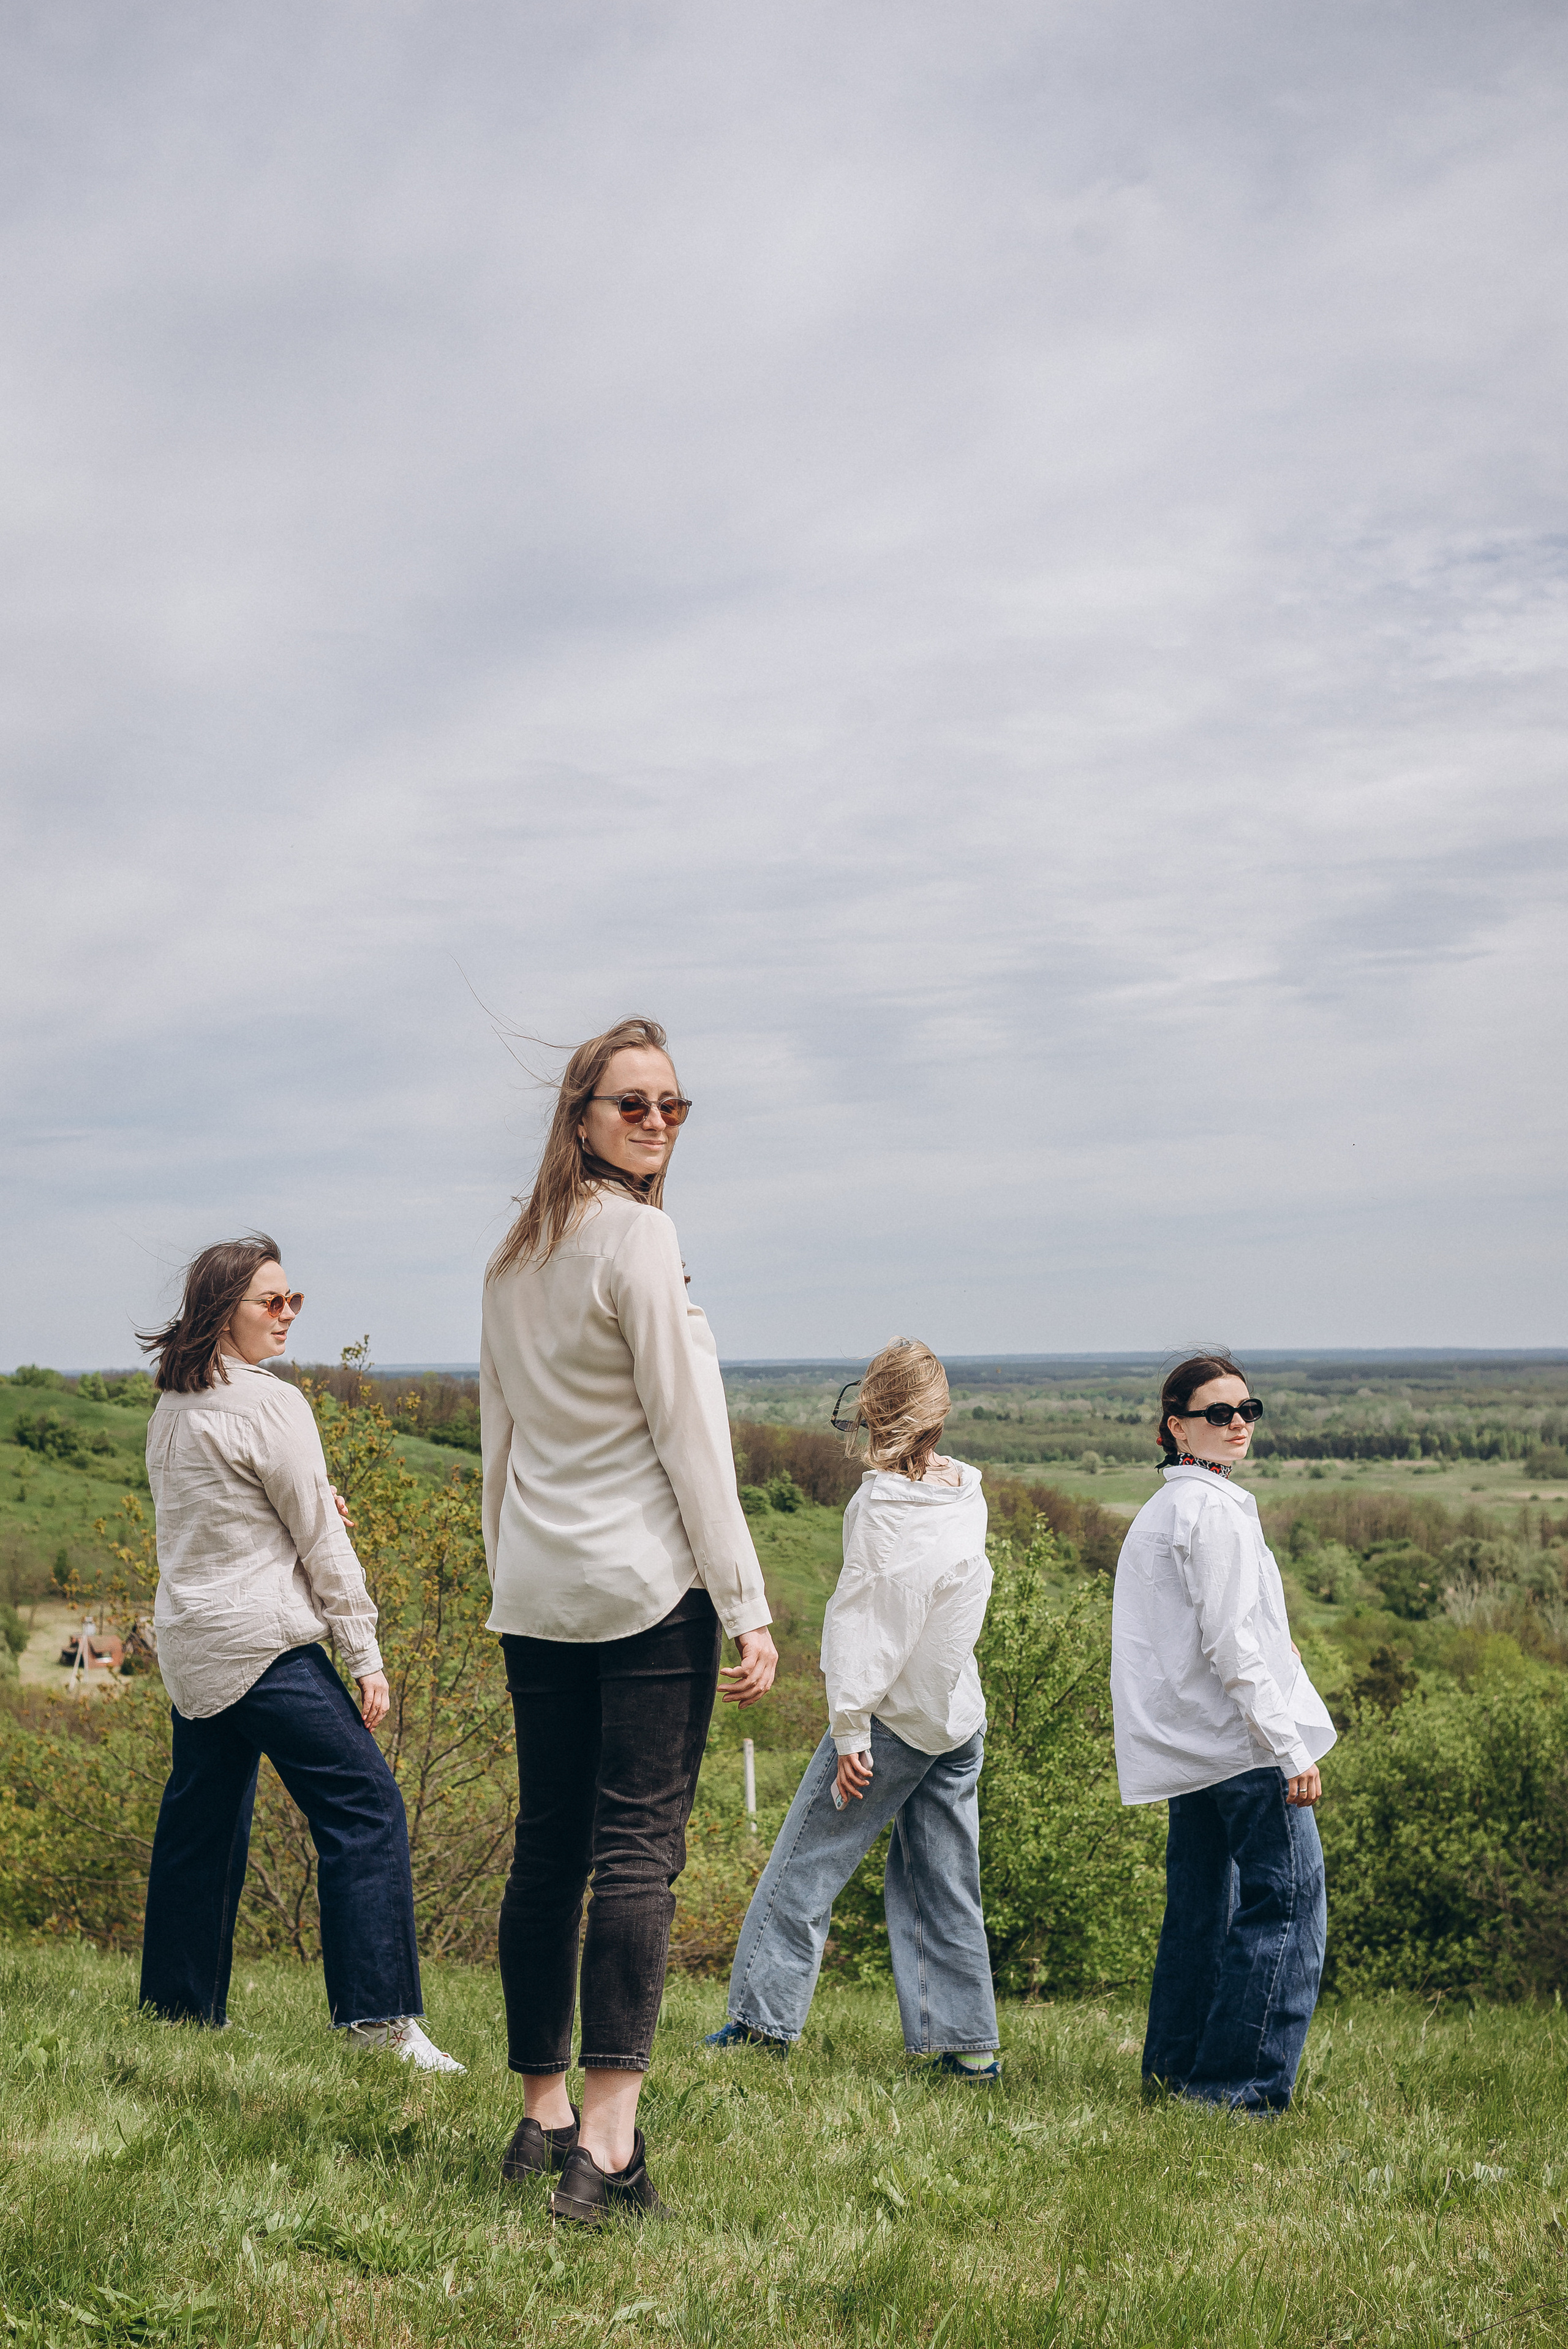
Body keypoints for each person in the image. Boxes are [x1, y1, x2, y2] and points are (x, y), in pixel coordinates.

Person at [481, 1015, 777, 2226]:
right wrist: (746, 1603)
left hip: (541, 1591)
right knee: (636, 1851)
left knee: (549, 1845)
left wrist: (508, 1569)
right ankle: (604, 2146)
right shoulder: (639, 1242)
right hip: (647, 1592)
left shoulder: (512, 1258)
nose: (654, 1122)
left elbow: (499, 1440)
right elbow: (689, 1441)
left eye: (671, 1105)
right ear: (580, 1118)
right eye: (631, 1105)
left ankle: (539, 2113)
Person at [137, 1235, 461, 2072]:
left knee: (200, 1825)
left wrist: (313, 1499)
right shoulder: (271, 1403)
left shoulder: (175, 1401)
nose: (288, 1315)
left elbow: (220, 1513)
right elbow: (317, 1539)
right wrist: (365, 1653)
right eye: (270, 1302)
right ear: (222, 1311)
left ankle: (176, 2012)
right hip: (262, 1642)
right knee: (367, 1809)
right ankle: (379, 2020)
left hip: (192, 1643)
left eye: (294, 1300)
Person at [706, 1339, 1001, 2078]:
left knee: (804, 1864)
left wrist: (849, 1733)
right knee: (945, 1879)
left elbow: (868, 1624)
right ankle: (969, 2049)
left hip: (893, 1722)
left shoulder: (882, 1507)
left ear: (873, 1411)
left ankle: (761, 2024)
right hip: (956, 1715)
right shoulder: (964, 1490)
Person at [1111, 1352, 1336, 2113]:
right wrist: (1288, 1747)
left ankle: (1175, 2074)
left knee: (1201, 1912)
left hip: (1194, 1749)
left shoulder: (1170, 1509)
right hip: (1239, 1745)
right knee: (1288, 1905)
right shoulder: (1209, 1512)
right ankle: (1236, 2090)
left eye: (1247, 1409)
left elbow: (1217, 1634)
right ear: (1177, 1427)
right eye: (1217, 1413)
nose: (1237, 1423)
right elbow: (1230, 1645)